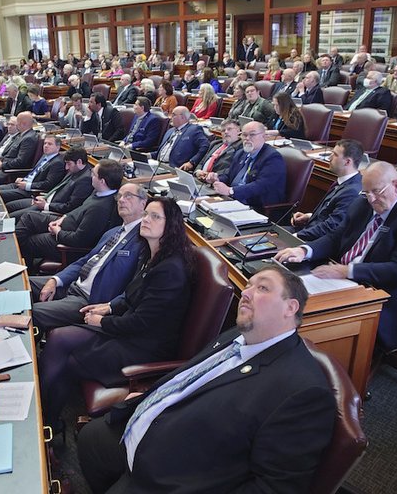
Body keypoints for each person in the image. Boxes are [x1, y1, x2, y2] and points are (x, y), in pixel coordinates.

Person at [77, 265, 335, 494]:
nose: (246, 292)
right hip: (144, 430)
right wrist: (149, 398)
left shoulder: (303, 392)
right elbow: (191, 377)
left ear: (291, 308)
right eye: (248, 285)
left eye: (262, 288)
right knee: (89, 438)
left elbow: (274, 487)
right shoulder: (237, 335)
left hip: (170, 477)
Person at [38, 196, 193, 430]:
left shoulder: (170, 270)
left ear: (169, 225)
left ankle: (48, 424)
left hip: (143, 346)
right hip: (127, 329)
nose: (146, 220)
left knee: (68, 361)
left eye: (155, 216)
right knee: (59, 337)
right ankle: (47, 419)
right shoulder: (150, 254)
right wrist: (109, 307)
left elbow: (142, 322)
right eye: (147, 214)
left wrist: (103, 321)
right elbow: (132, 296)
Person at [276, 162, 397, 350]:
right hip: (348, 281)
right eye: (366, 192)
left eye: (376, 192)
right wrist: (305, 250)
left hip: (391, 297)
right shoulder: (362, 203)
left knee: (313, 318)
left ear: (396, 186)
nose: (370, 199)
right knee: (289, 298)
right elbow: (337, 237)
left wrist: (347, 271)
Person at [30, 183, 148, 331]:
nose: (121, 200)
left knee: (32, 313)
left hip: (89, 299)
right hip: (72, 284)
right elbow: (84, 261)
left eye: (128, 196)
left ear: (143, 203)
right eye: (119, 196)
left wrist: (109, 308)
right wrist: (56, 280)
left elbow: (134, 288)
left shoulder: (143, 240)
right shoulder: (114, 232)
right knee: (21, 285)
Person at [15, 159, 123, 263]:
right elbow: (80, 208)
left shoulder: (100, 209)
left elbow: (79, 240)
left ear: (102, 181)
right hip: (64, 223)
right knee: (28, 217)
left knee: (28, 242)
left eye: (94, 174)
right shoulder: (98, 191)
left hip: (67, 244)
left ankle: (20, 267)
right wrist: (63, 218)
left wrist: (58, 232)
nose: (91, 176)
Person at [291, 139, 363, 241]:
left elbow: (331, 226)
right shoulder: (342, 181)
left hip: (314, 240)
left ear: (347, 162)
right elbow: (328, 212)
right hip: (308, 230)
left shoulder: (352, 191)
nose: (329, 158)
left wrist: (297, 236)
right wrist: (309, 216)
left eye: (334, 155)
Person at [206, 121, 287, 210]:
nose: (247, 138)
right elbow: (230, 176)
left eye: (252, 135)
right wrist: (217, 179)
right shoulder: (241, 153)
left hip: (256, 206)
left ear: (264, 136)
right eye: (244, 135)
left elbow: (261, 186)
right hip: (232, 200)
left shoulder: (272, 157)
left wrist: (230, 191)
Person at [0, 135, 65, 204]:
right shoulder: (45, 156)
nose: (46, 146)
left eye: (50, 144)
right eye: (45, 143)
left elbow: (48, 184)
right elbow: (34, 173)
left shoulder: (58, 163)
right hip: (22, 183)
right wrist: (23, 178)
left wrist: (28, 185)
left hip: (31, 191)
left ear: (58, 147)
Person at [0, 112, 38, 184]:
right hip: (4, 167)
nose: (16, 124)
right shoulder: (21, 135)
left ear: (23, 124)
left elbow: (21, 162)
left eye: (17, 122)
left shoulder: (29, 138)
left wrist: (2, 165)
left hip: (11, 172)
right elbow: (10, 154)